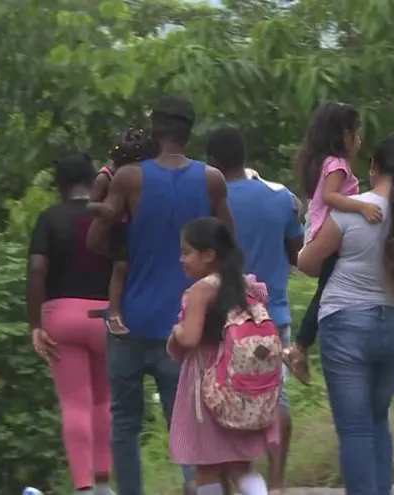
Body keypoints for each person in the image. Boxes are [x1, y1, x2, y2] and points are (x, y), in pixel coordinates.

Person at [86, 96, 234, 495]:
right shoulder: (212, 180)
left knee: (124, 422)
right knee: (186, 420)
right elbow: (230, 248)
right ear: (190, 132)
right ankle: (195, 487)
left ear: (155, 130)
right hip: (186, 323)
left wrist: (125, 246)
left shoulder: (130, 178)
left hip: (129, 320)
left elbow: (96, 239)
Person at [297, 133, 394, 495]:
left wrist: (309, 226)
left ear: (374, 167)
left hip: (347, 323)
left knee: (355, 428)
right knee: (377, 417)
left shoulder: (353, 209)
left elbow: (308, 263)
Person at [206, 126, 303, 494]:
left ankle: (230, 484)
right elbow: (297, 252)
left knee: (219, 397)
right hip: (272, 316)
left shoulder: (211, 201)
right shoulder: (281, 198)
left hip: (222, 318)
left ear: (212, 162)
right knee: (276, 395)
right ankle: (275, 483)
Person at [167, 217, 278, 495]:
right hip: (241, 387)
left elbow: (190, 337)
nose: (182, 259)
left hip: (207, 387)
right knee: (243, 467)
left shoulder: (201, 290)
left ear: (208, 256)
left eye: (186, 252)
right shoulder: (245, 284)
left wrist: (176, 329)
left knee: (206, 468)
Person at [27, 152, 115, 495]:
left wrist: (35, 323)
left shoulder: (50, 219)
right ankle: (106, 484)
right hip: (106, 315)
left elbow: (37, 269)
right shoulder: (107, 219)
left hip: (62, 317)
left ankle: (84, 487)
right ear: (93, 180)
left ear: (59, 185)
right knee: (104, 402)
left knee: (75, 403)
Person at [283, 101, 383, 385]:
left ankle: (301, 347)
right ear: (343, 134)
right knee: (326, 292)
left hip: (326, 233)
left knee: (327, 288)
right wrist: (362, 207)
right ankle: (299, 347)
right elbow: (330, 197)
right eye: (357, 133)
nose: (360, 140)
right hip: (329, 236)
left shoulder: (326, 163)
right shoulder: (337, 165)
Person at [89, 127, 155, 335]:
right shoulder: (105, 177)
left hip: (133, 227)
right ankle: (114, 313)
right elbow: (90, 205)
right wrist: (109, 209)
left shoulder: (139, 176)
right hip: (115, 227)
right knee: (120, 266)